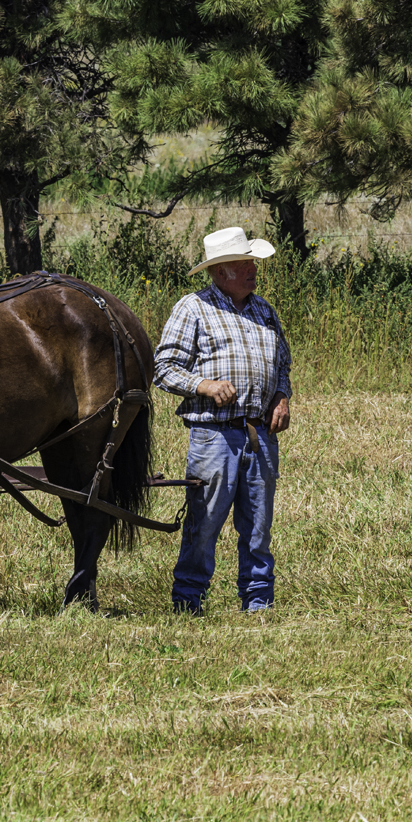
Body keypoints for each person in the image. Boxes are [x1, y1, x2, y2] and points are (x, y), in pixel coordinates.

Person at [154, 226, 292, 614]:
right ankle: (188, 601)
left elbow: (283, 365)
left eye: (252, 261)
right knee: (205, 525)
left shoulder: (264, 310)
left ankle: (258, 602)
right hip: (214, 435)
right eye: (243, 262)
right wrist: (204, 384)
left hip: (260, 433)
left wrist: (281, 397)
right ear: (219, 272)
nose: (253, 268)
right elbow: (163, 368)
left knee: (258, 527)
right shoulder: (193, 308)